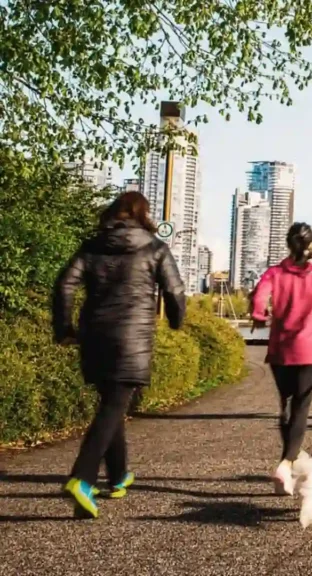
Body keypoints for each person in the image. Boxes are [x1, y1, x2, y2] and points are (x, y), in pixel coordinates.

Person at [53, 191, 187, 519]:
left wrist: (64, 328)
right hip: (131, 339)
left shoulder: (92, 246)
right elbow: (174, 290)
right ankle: (82, 477)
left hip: (94, 337)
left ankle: (117, 476)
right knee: (113, 407)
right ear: (143, 215)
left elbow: (64, 285)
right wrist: (176, 320)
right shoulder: (154, 247)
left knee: (112, 404)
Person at [250, 222, 312, 495]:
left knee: (286, 404)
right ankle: (286, 463)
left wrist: (259, 316)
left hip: (280, 349)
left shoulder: (275, 272)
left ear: (288, 244)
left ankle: (290, 463)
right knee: (301, 407)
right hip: (311, 349)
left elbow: (259, 297)